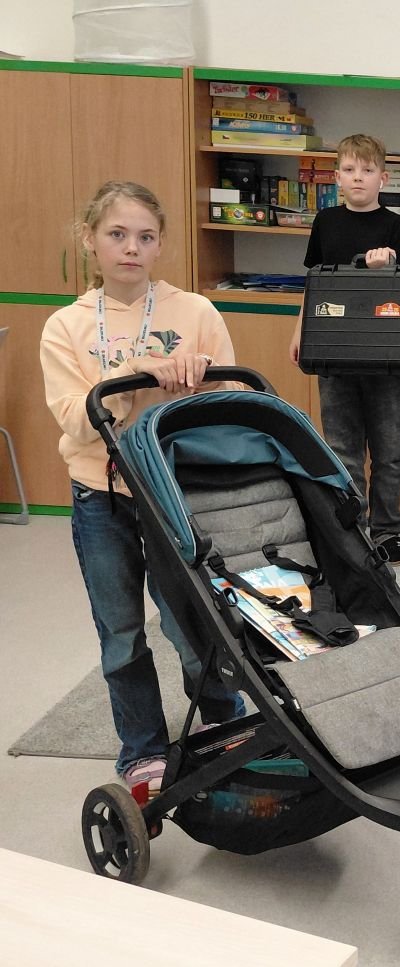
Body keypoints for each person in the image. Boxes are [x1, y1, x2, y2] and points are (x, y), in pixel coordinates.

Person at [40, 181, 246, 796]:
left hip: (176, 491)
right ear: (90, 240)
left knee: (193, 622)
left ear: (160, 245)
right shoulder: (65, 326)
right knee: (122, 630)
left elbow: (235, 399)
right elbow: (75, 418)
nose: (131, 248)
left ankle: (225, 719)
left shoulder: (196, 312)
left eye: (145, 237)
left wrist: (201, 382)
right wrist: (132, 374)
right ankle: (143, 748)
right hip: (100, 496)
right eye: (117, 234)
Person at [288, 133, 400, 566]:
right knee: (341, 448)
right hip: (334, 351)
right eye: (349, 169)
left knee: (389, 451)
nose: (357, 177)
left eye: (367, 170)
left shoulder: (397, 227)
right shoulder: (325, 222)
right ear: (337, 177)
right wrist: (301, 331)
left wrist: (387, 266)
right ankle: (354, 531)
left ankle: (388, 531)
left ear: (383, 178)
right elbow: (314, 283)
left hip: (388, 355)